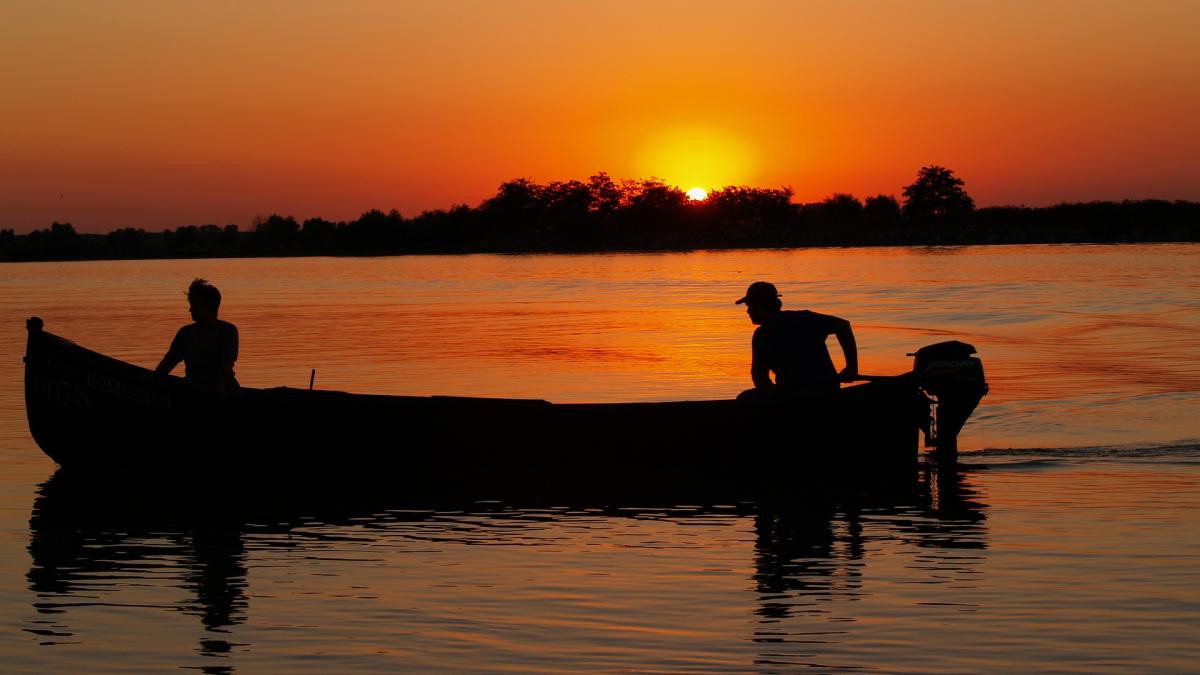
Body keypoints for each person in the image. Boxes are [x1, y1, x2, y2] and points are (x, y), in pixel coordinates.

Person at [735, 281, 858, 399]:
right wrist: (769, 390)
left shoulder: (803, 320)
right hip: (787, 392)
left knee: (745, 399)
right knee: (745, 398)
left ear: (763, 306)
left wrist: (851, 367)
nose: (748, 311)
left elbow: (843, 326)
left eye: (751, 306)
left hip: (822, 390)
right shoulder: (761, 336)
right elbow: (759, 374)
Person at [155, 278, 239, 392]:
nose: (190, 309)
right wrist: (152, 380)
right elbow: (169, 362)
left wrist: (218, 388)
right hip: (192, 388)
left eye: (195, 304)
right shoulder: (185, 333)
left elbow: (227, 365)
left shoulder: (228, 331)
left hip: (224, 390)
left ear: (209, 307)